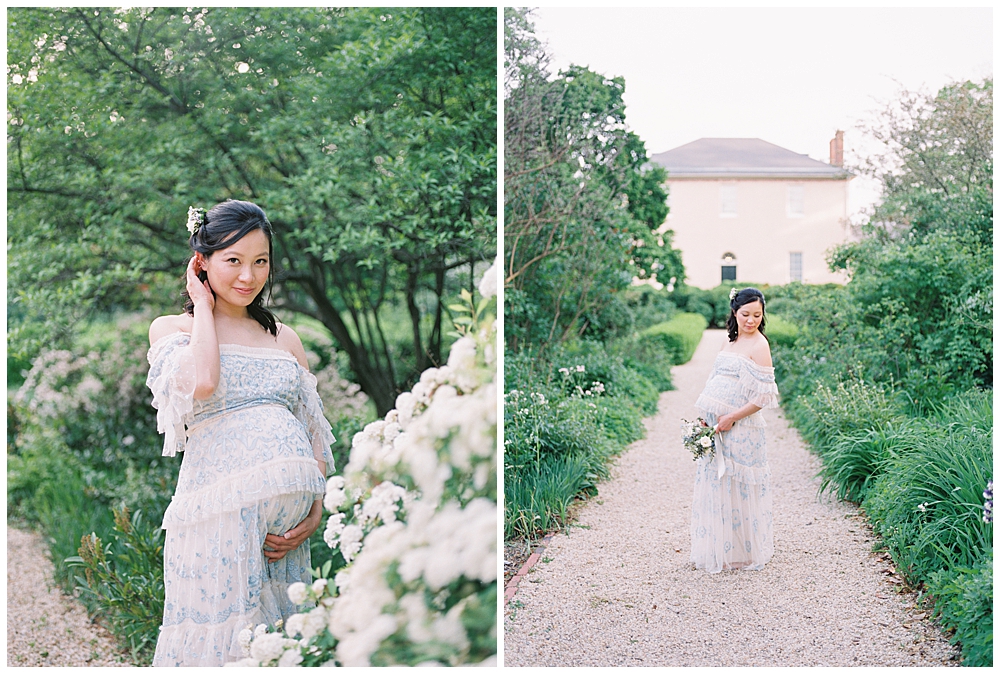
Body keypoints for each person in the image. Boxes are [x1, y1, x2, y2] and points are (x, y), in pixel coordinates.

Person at [145, 200, 335, 665]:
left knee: (282, 643)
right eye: (233, 260)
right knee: (227, 641)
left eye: (260, 262)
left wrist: (315, 507)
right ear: (201, 262)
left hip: (284, 536)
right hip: (219, 519)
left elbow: (313, 428)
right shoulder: (173, 329)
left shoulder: (285, 337)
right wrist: (203, 306)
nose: (248, 276)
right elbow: (203, 382)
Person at [690, 287, 779, 573]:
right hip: (717, 428)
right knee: (718, 485)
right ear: (734, 313)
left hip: (742, 429)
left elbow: (763, 397)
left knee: (739, 487)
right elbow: (715, 379)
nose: (751, 320)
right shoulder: (730, 341)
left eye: (757, 315)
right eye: (745, 315)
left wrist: (732, 418)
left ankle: (744, 551)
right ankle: (722, 548)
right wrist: (706, 417)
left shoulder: (759, 345)